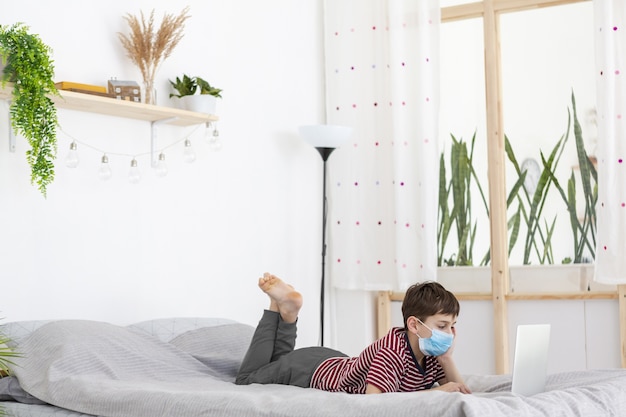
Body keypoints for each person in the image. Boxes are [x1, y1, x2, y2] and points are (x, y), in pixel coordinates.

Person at [235, 272, 471, 394]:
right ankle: (277, 308)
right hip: (308, 371)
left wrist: (447, 359)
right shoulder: (392, 351)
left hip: (331, 360)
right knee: (247, 380)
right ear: (414, 325)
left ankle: (284, 308)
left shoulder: (430, 353)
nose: (449, 333)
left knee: (273, 364)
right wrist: (435, 393)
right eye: (442, 326)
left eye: (452, 325)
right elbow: (373, 404)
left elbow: (461, 393)